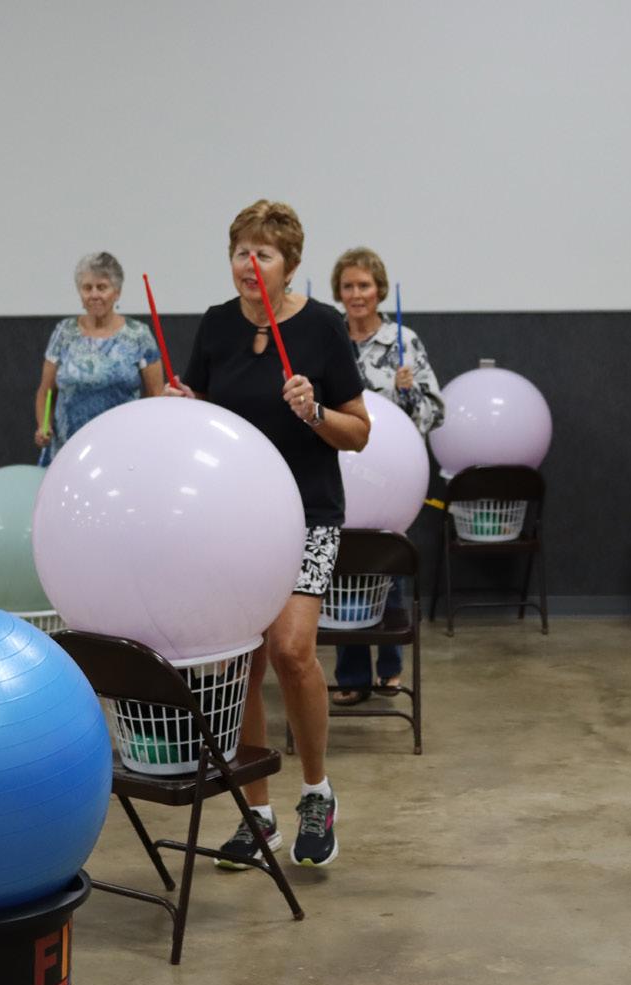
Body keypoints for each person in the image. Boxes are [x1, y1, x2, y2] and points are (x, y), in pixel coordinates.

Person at [168, 200, 370, 868]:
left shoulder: (323, 326)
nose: (250, 266)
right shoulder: (217, 324)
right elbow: (201, 413)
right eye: (241, 253)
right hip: (232, 520)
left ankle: (316, 792)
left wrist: (315, 413)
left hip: (308, 514)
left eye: (265, 254)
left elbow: (359, 432)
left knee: (290, 649)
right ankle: (257, 815)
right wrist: (183, 407)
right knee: (241, 665)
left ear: (290, 263)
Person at [328, 246, 443, 705]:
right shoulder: (328, 337)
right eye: (348, 286)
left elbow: (434, 412)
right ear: (338, 291)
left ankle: (390, 668)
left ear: (379, 290)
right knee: (342, 569)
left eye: (365, 285)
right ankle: (352, 675)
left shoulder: (403, 342)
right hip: (339, 472)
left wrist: (409, 392)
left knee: (386, 565)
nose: (357, 294)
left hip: (389, 476)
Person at [33, 252, 163, 463]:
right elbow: (45, 391)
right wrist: (43, 425)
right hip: (66, 453)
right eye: (87, 288)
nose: (94, 294)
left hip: (122, 453)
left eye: (102, 287)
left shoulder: (138, 335)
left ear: (117, 292)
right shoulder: (64, 332)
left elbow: (156, 396)